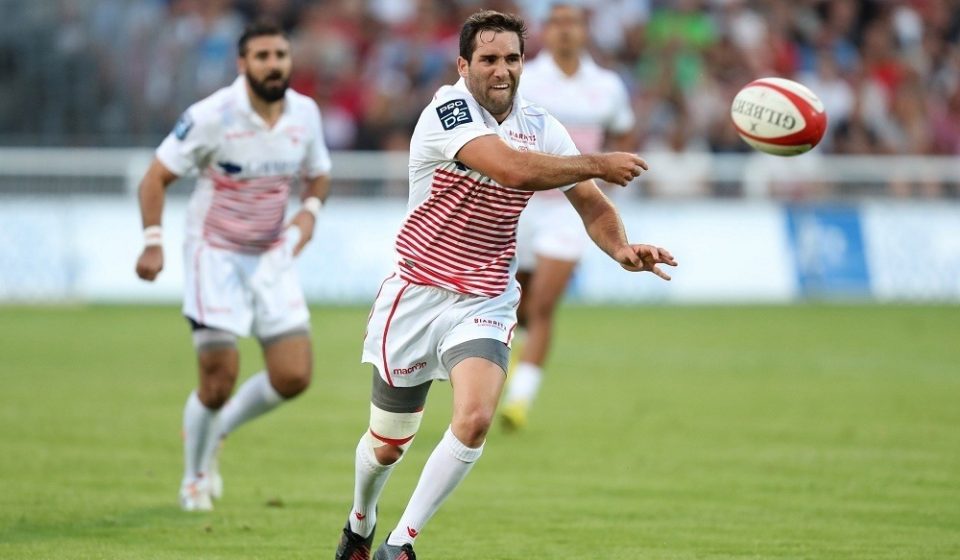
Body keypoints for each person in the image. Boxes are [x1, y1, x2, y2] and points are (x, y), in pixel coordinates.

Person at [334, 10, 675, 560]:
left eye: (512, 58)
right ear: (464, 64)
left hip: (486, 297)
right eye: (489, 59)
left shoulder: (540, 123)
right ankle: (360, 520)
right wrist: (595, 161)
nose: (502, 70)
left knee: (473, 420)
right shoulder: (447, 110)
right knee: (387, 445)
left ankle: (400, 545)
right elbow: (511, 171)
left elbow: (590, 203)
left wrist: (621, 248)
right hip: (417, 293)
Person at [134, 20, 332, 512]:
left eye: (280, 55)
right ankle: (195, 477)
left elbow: (319, 174)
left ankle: (216, 430)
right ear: (243, 64)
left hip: (271, 254)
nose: (273, 64)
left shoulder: (305, 114)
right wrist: (152, 243)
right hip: (214, 252)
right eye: (262, 56)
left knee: (293, 377)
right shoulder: (212, 116)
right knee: (219, 378)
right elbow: (154, 179)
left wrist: (307, 217)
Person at [500, 1, 638, 431]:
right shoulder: (526, 77)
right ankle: (518, 349)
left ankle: (519, 400)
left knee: (543, 304)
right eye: (556, 23)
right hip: (519, 203)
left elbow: (624, 128)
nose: (564, 31)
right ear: (546, 30)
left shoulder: (608, 85)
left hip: (569, 210)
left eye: (572, 23)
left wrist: (608, 187)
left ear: (584, 30)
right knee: (518, 300)